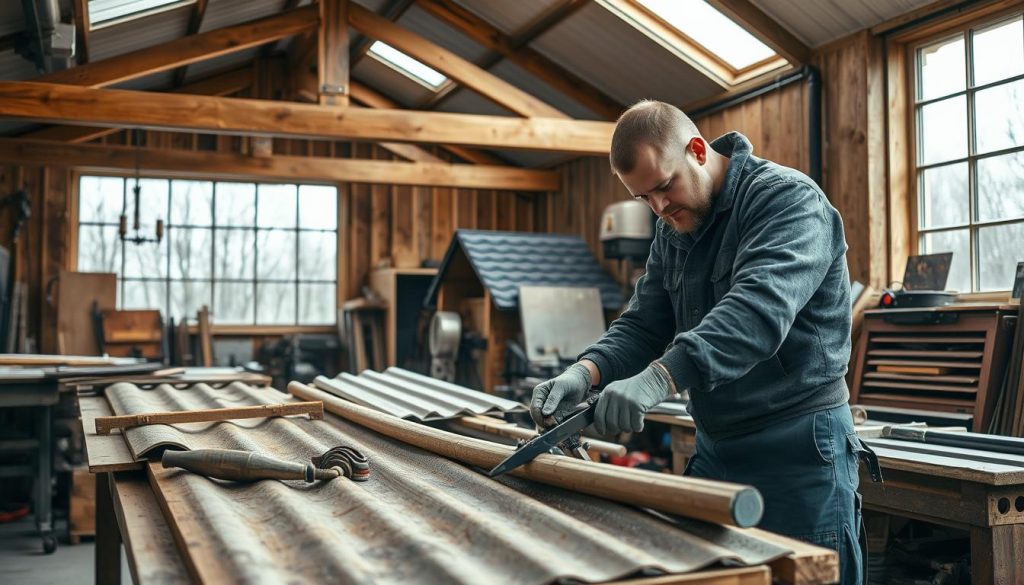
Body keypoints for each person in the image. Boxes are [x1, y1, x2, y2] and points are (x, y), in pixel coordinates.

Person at [530, 100, 877, 584]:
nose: (658, 207)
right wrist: (585, 372)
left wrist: (658, 379)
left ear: (697, 150)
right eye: (643, 198)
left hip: (799, 448)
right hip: (718, 446)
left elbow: (755, 314)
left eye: (663, 187)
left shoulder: (789, 202)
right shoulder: (674, 227)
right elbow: (645, 322)